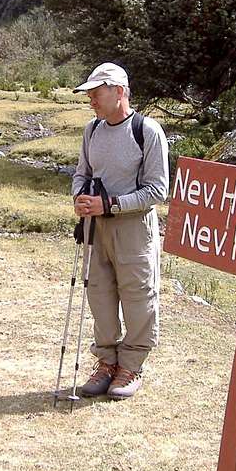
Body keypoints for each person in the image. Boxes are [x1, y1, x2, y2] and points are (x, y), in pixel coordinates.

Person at [71, 62, 169, 399]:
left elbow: (158, 191)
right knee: (99, 295)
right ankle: (107, 363)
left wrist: (111, 205)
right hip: (96, 229)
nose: (92, 100)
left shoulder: (148, 132)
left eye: (97, 93)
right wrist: (79, 198)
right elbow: (81, 173)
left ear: (119, 92)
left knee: (138, 296)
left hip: (133, 230)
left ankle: (130, 367)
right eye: (90, 94)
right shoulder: (92, 131)